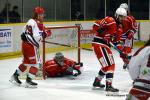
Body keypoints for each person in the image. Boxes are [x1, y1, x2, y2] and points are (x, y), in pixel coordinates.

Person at [9, 7, 51, 88]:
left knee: (26, 63)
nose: (43, 16)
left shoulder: (30, 21)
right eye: (41, 14)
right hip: (31, 46)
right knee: (37, 64)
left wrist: (44, 33)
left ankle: (15, 76)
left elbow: (24, 32)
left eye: (43, 14)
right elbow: (36, 37)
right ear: (37, 15)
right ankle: (28, 81)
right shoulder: (37, 23)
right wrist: (45, 35)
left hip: (25, 45)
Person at [92, 8, 127, 92]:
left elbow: (116, 42)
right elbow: (95, 25)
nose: (122, 19)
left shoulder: (119, 28)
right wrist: (101, 32)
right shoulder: (110, 20)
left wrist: (121, 52)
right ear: (117, 15)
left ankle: (97, 81)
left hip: (105, 46)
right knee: (111, 65)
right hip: (99, 44)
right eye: (121, 16)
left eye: (123, 17)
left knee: (107, 66)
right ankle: (109, 86)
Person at [118, 3, 138, 69]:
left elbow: (135, 27)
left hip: (127, 38)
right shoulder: (117, 18)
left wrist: (131, 33)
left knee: (128, 51)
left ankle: (130, 63)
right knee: (121, 52)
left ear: (126, 10)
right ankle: (126, 61)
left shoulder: (130, 18)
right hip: (120, 38)